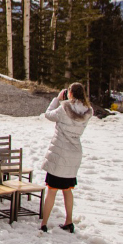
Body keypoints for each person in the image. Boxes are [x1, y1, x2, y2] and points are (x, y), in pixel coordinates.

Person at [40, 83, 92, 233]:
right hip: (74, 154)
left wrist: (57, 99)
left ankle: (44, 223)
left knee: (52, 190)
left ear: (70, 93)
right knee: (67, 190)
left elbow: (48, 114)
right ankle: (69, 221)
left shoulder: (64, 108)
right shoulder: (88, 111)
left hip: (59, 153)